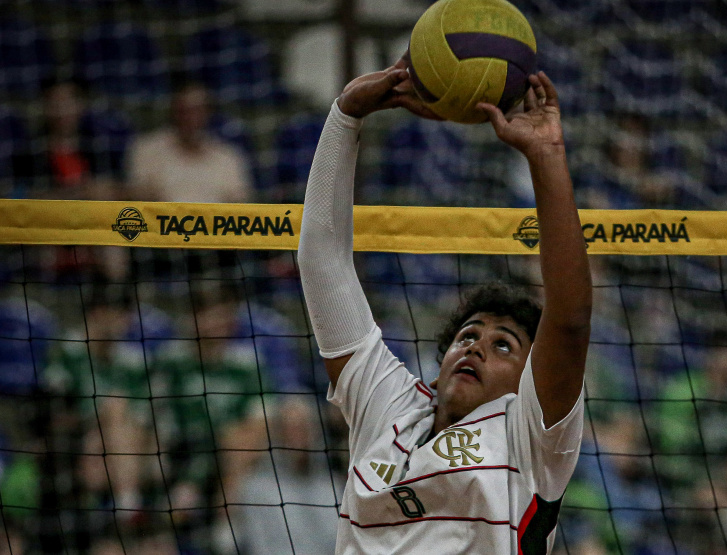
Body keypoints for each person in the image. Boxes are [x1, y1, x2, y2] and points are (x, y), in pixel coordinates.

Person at [297, 59, 592, 553]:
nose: (475, 347)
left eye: (503, 345)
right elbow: (322, 262)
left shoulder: (528, 434)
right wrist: (344, 115)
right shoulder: (392, 409)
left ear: (529, 382)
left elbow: (570, 320)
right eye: (468, 335)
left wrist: (547, 155)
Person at [125, 78, 251, 203]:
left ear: (208, 112)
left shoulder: (228, 157)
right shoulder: (146, 149)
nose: (190, 117)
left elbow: (239, 203)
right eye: (184, 110)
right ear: (173, 110)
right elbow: (135, 197)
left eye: (198, 110)